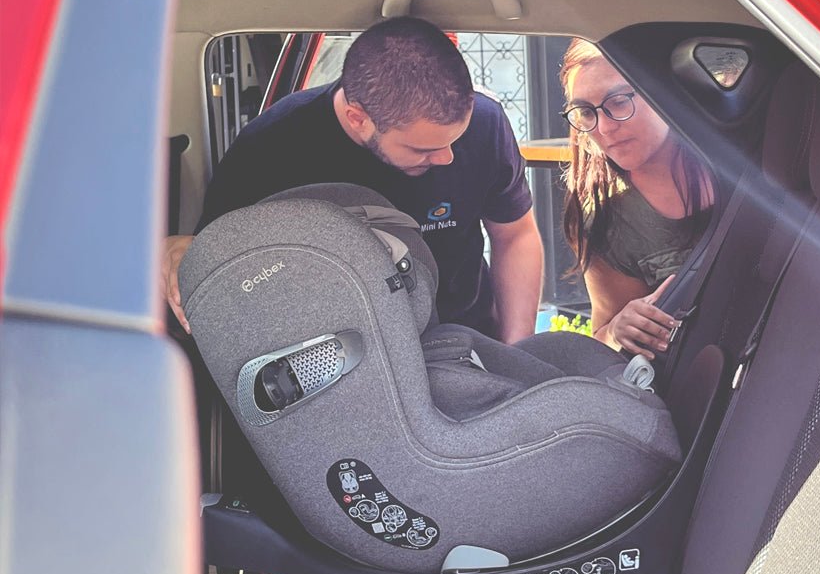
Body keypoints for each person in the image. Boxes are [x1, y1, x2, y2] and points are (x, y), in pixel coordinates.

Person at [163, 17, 543, 342]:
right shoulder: (269, 149)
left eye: (455, 139)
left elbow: (515, 236)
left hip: (462, 338)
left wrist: (517, 350)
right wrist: (176, 252)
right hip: (336, 358)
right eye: (423, 149)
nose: (447, 158)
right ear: (358, 118)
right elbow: (216, 263)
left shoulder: (486, 124)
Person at [560, 38, 712, 359]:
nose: (603, 128)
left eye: (618, 102)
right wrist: (620, 328)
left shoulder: (740, 162)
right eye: (585, 112)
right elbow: (603, 335)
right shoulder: (606, 218)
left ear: (663, 91)